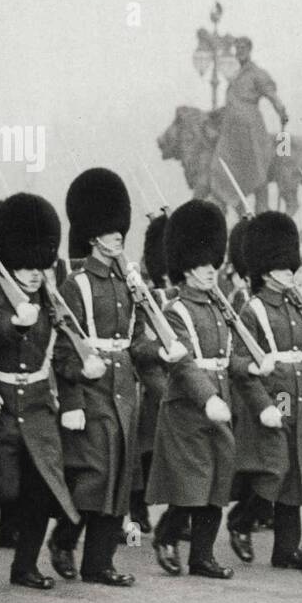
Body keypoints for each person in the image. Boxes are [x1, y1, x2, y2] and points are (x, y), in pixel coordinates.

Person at [50, 168, 166, 586]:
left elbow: (135, 342)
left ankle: (98, 563)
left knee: (119, 478)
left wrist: (160, 350)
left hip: (123, 394)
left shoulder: (127, 285)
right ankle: (63, 541)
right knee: (94, 475)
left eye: (120, 230)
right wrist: (75, 401)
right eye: (109, 230)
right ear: (93, 236)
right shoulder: (76, 285)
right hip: (92, 391)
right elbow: (64, 351)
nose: (118, 236)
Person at [227, 211, 302, 567]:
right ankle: (241, 521)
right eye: (282, 268)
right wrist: (263, 404)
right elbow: (238, 362)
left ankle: (286, 550)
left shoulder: (299, 308)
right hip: (271, 399)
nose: (290, 274)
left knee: (296, 476)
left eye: (291, 268)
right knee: (274, 469)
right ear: (265, 271)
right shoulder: (253, 309)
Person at [0, 193, 80, 590]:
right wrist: (17, 325)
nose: (35, 273)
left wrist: (75, 392)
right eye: (26, 266)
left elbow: (64, 355)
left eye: (41, 266)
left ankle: (25, 567)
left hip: (39, 408)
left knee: (41, 491)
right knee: (2, 488)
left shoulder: (52, 302)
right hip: (2, 407)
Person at [148, 200, 238, 580]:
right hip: (188, 408)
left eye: (213, 264)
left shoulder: (219, 309)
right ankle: (166, 535)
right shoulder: (175, 310)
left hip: (219, 401)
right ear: (187, 267)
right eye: (203, 265)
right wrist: (209, 398)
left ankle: (202, 557)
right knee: (192, 484)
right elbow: (182, 363)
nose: (210, 271)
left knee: (217, 483)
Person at [129, 212, 171, 537]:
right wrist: (159, 349)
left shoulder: (180, 295)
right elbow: (137, 345)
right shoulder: (145, 297)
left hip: (177, 376)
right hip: (148, 379)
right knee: (143, 448)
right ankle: (136, 505)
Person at [212, 36, 288, 197]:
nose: (239, 52)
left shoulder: (257, 73)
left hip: (249, 127)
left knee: (255, 166)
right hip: (231, 129)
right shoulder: (236, 75)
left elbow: (271, 95)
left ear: (249, 50)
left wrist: (281, 110)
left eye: (243, 48)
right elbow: (233, 101)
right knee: (221, 163)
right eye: (237, 49)